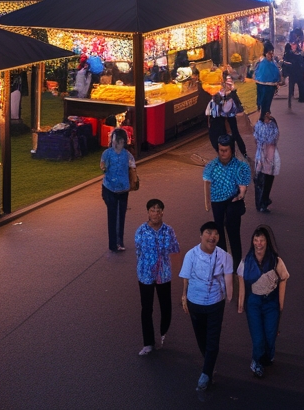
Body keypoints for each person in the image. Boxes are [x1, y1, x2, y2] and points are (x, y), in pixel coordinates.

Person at [180, 221, 235, 392]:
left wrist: (229, 297)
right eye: (208, 233)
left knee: (212, 338)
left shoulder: (225, 256)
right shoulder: (191, 255)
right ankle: (209, 361)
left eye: (216, 234)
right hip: (194, 302)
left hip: (215, 303)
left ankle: (206, 373)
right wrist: (184, 295)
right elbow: (186, 277)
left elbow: (228, 278)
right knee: (201, 336)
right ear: (201, 235)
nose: (212, 237)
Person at [236, 226, 290, 378]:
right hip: (253, 302)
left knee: (271, 334)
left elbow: (283, 279)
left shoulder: (276, 261)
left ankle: (268, 355)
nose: (258, 244)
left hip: (271, 302)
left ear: (267, 242)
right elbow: (241, 282)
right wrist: (241, 304)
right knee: (258, 337)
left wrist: (280, 305)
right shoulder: (246, 261)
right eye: (256, 240)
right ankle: (257, 361)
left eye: (262, 240)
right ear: (252, 242)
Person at [134, 198, 181, 355]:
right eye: (152, 210)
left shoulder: (169, 230)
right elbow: (138, 251)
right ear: (147, 212)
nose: (155, 213)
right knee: (146, 308)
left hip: (163, 274)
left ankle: (163, 332)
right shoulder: (141, 231)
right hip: (145, 275)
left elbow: (175, 248)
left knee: (165, 306)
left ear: (162, 212)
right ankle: (148, 343)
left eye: (158, 210)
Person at [203, 136, 251, 266]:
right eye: (220, 150)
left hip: (233, 201)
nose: (222, 153)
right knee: (218, 232)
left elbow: (243, 186)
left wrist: (241, 195)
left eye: (225, 150)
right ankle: (222, 262)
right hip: (217, 201)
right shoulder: (212, 165)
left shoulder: (240, 166)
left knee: (233, 232)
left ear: (232, 150)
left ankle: (236, 264)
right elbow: (206, 184)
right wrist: (207, 202)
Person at [100, 127, 137, 252]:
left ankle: (119, 242)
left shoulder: (127, 155)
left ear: (123, 142)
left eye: (119, 141)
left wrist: (133, 175)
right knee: (112, 215)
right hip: (109, 188)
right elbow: (102, 164)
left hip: (123, 190)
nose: (115, 143)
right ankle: (113, 244)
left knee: (121, 215)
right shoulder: (107, 153)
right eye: (114, 140)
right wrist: (104, 167)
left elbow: (133, 166)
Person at [252, 110, 281, 213]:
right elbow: (273, 138)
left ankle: (263, 202)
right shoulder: (270, 124)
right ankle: (262, 203)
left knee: (264, 180)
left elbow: (257, 139)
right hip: (267, 156)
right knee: (264, 181)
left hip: (264, 155)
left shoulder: (260, 124)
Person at [254, 44, 281, 116]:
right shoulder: (262, 62)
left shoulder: (272, 62)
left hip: (271, 87)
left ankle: (265, 117)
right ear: (265, 53)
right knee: (262, 104)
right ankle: (262, 119)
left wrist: (277, 83)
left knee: (267, 105)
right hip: (262, 86)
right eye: (270, 53)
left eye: (272, 53)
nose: (271, 55)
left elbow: (276, 73)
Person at [283, 38, 304, 102]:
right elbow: (285, 61)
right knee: (291, 86)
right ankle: (290, 97)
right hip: (292, 72)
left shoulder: (300, 52)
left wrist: (303, 68)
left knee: (301, 85)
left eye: (295, 44)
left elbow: (303, 61)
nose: (293, 46)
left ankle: (302, 99)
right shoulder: (288, 53)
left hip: (299, 72)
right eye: (292, 44)